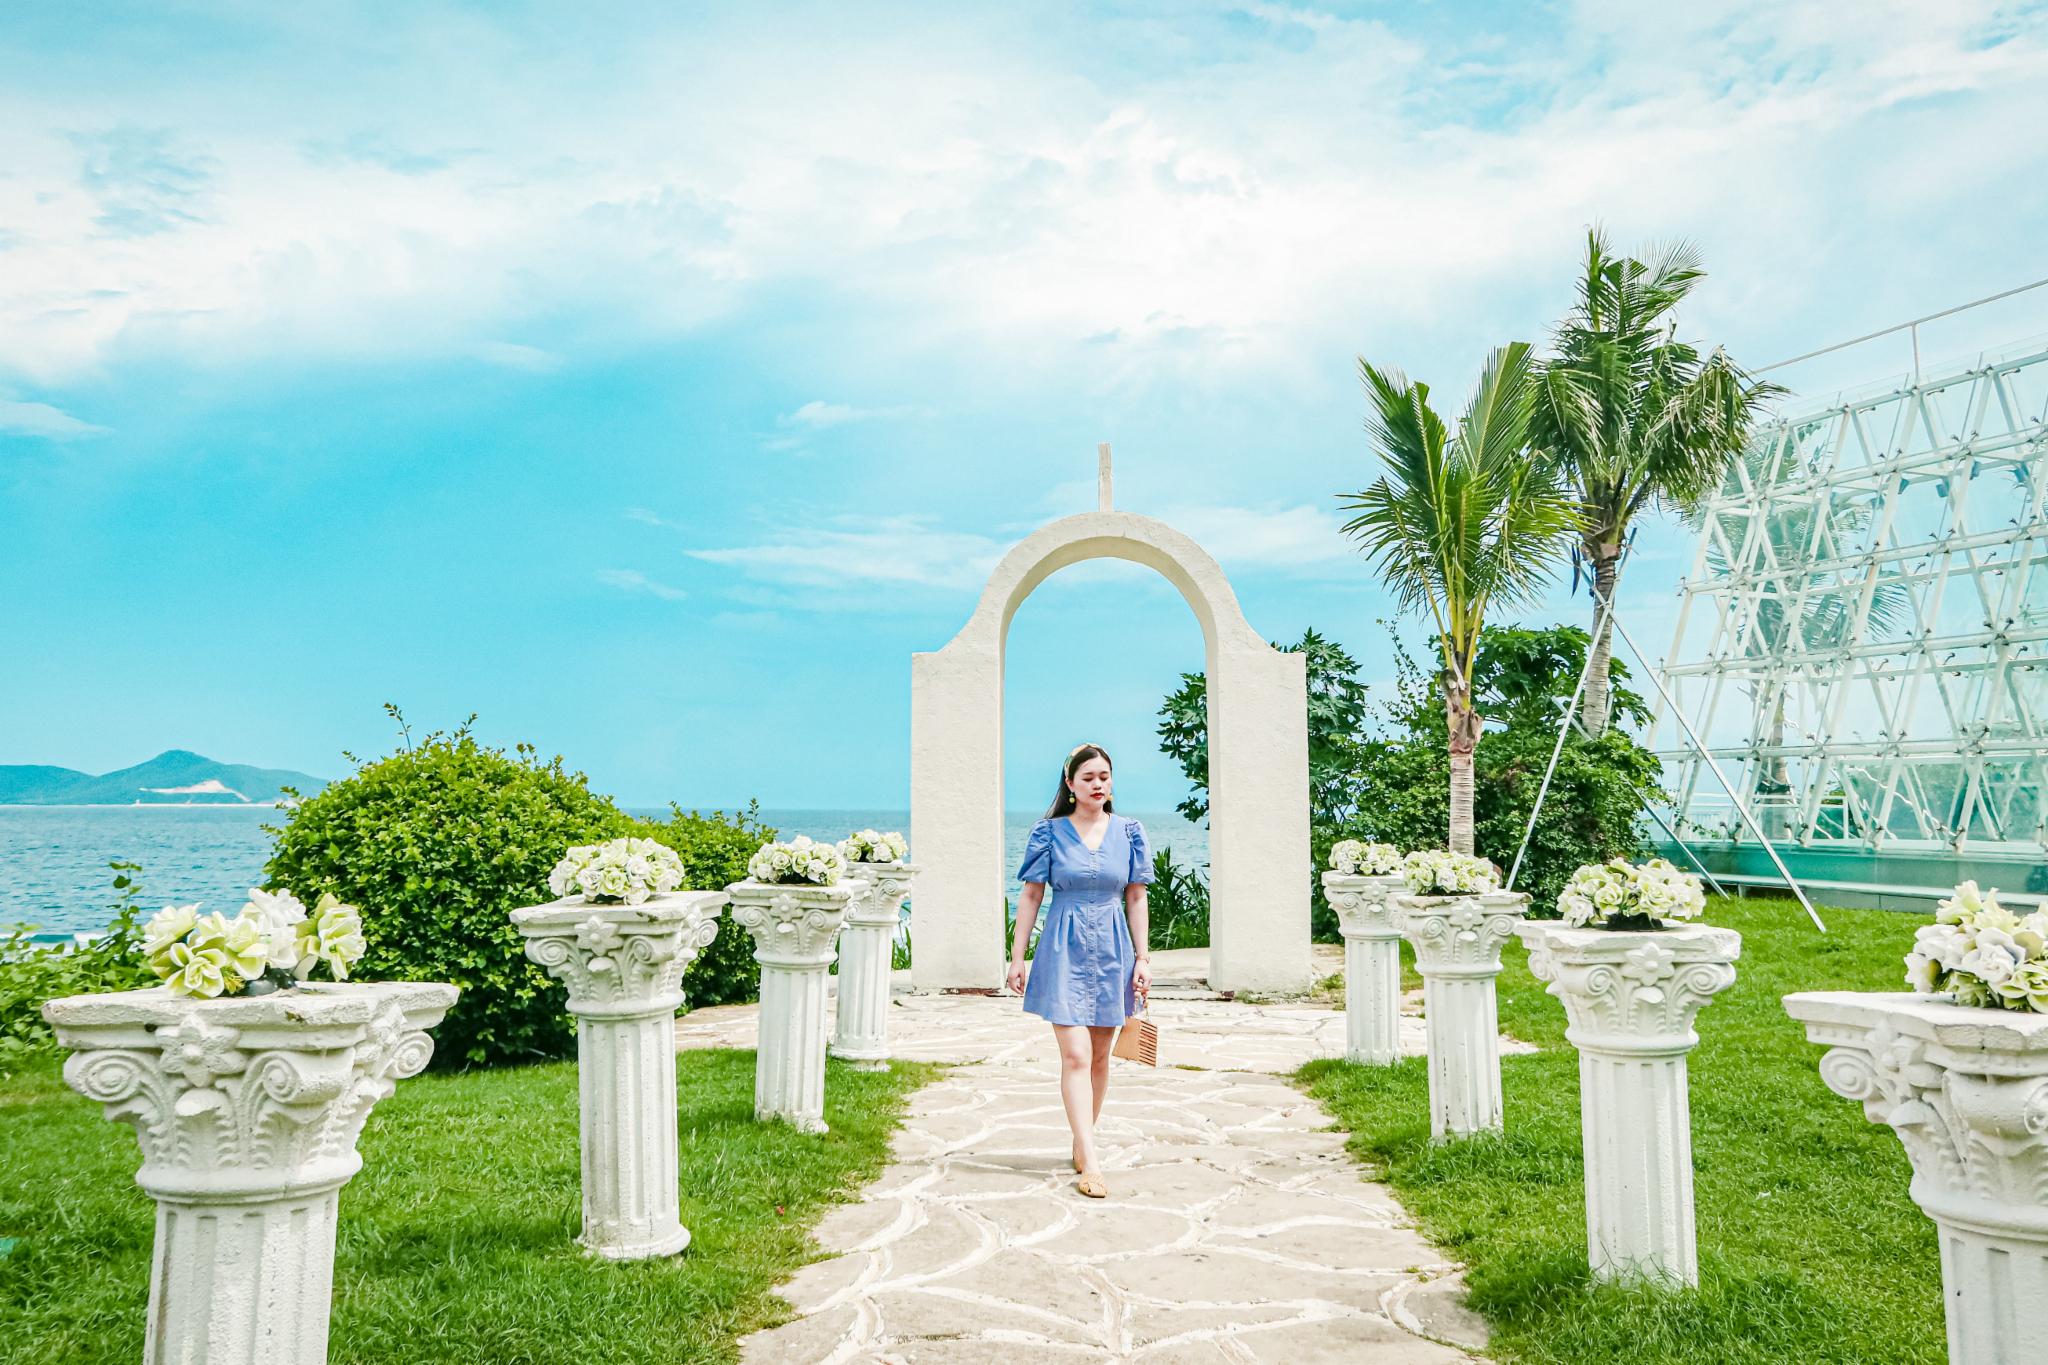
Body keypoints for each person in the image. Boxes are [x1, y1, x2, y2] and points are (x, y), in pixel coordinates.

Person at [1007, 742, 1152, 1199]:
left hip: (1113, 949)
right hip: (1062, 948)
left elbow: (1136, 897)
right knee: (1074, 1056)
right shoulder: (1048, 833)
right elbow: (1031, 896)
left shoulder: (1129, 832)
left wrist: (1143, 958)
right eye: (1088, 777)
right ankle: (1091, 1160)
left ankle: (1081, 1138)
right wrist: (1017, 957)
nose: (1097, 784)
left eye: (1104, 777)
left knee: (1102, 1056)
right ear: (1070, 784)